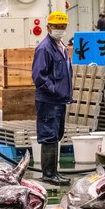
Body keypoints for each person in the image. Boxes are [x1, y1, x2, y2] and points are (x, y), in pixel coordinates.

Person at [31, 11, 73, 185]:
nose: (60, 30)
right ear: (48, 27)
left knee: (56, 135)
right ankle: (48, 174)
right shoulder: (44, 48)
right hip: (49, 100)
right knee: (49, 135)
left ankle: (53, 172)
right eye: (57, 27)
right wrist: (54, 90)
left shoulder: (60, 45)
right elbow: (38, 76)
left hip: (59, 100)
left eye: (63, 27)